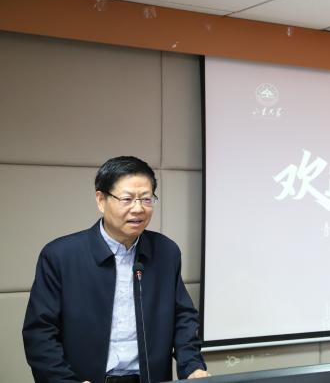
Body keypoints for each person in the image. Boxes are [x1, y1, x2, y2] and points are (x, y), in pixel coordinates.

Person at [23, 156, 209, 383]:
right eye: (127, 199)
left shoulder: (165, 252)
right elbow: (40, 333)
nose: (138, 209)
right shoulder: (60, 256)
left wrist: (192, 366)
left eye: (146, 199)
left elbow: (183, 318)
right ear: (101, 200)